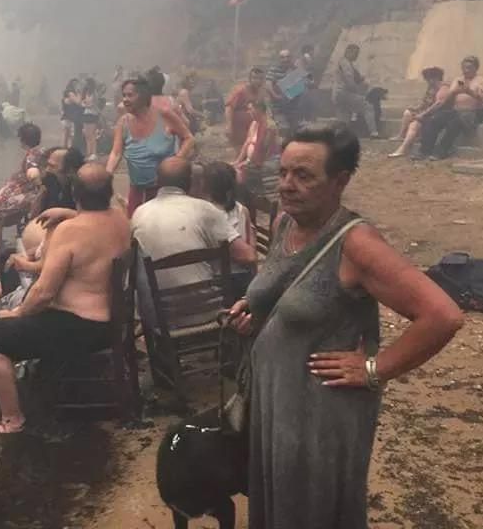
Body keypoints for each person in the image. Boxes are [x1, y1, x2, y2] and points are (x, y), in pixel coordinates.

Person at [228, 122, 464, 529]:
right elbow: (289, 288)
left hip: (319, 414)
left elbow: (443, 315)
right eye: (283, 172)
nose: (286, 185)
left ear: (340, 181)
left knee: (313, 511)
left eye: (304, 176)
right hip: (276, 401)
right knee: (280, 501)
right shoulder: (287, 223)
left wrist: (375, 367)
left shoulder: (356, 244)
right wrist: (256, 309)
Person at [0, 164, 131, 434]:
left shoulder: (70, 231)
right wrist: (68, 212)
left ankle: (12, 420)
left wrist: (17, 313)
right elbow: (95, 221)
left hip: (81, 328)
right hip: (110, 321)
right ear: (108, 192)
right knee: (3, 328)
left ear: (75, 193)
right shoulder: (120, 218)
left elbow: (44, 292)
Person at [131, 158, 256, 327]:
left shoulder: (139, 214)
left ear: (157, 181)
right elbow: (248, 256)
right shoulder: (205, 209)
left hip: (161, 318)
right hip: (208, 312)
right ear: (191, 181)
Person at [106, 77, 195, 217]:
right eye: (124, 95)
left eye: (130, 95)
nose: (125, 100)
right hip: (137, 189)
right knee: (135, 224)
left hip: (163, 190)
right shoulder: (123, 122)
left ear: (143, 96)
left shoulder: (164, 115)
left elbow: (188, 138)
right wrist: (107, 175)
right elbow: (116, 153)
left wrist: (176, 162)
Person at [419, 56, 483, 160]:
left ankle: (441, 152)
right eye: (464, 68)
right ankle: (424, 151)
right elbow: (448, 97)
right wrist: (453, 92)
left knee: (455, 123)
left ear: (476, 68)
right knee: (434, 120)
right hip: (456, 111)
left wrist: (469, 91)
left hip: (472, 113)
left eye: (469, 68)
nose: (466, 70)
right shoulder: (458, 80)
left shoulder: (480, 80)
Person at [204, 161, 257, 300]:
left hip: (217, 282)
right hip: (244, 279)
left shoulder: (204, 213)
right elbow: (252, 249)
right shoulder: (242, 210)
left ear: (206, 186)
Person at [0, 123, 44, 250]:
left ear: (23, 140)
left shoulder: (31, 157)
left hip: (30, 192)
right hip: (29, 189)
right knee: (1, 198)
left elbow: (33, 175)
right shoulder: (41, 152)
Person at [388, 67, 448, 158]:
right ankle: (401, 135)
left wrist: (422, 114)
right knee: (408, 113)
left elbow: (437, 105)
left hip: (435, 115)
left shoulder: (443, 88)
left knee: (414, 125)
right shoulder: (431, 87)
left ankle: (403, 148)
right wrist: (416, 108)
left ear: (436, 78)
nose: (429, 81)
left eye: (430, 78)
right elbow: (425, 102)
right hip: (425, 111)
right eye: (427, 79)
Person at [232, 101, 280, 199]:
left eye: (251, 109)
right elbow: (247, 143)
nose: (248, 112)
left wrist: (248, 164)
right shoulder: (254, 124)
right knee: (234, 169)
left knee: (241, 174)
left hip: (267, 160)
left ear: (259, 110)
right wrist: (238, 161)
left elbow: (263, 148)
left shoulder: (269, 126)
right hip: (253, 160)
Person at [333, 44, 379, 138]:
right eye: (355, 53)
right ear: (348, 52)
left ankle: (338, 137)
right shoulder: (345, 63)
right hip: (344, 93)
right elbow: (349, 81)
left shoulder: (344, 63)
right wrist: (358, 92)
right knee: (368, 106)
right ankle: (374, 133)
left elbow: (355, 77)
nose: (356, 56)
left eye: (357, 53)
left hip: (336, 95)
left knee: (343, 118)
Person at [225, 68, 267, 151]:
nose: (257, 81)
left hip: (252, 128)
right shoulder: (240, 90)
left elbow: (261, 110)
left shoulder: (260, 92)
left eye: (260, 78)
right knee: (239, 150)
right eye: (254, 78)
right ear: (250, 79)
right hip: (239, 127)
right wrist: (228, 126)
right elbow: (229, 107)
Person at [266, 50, 302, 138]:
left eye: (287, 57)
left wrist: (289, 94)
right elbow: (268, 85)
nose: (285, 59)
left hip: (293, 108)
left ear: (291, 58)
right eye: (283, 57)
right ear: (279, 59)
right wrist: (275, 95)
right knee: (283, 129)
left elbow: (300, 87)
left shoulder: (296, 70)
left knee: (294, 133)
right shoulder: (274, 69)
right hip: (278, 107)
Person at [81, 78, 101, 160]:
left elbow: (94, 104)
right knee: (87, 135)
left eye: (86, 83)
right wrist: (85, 104)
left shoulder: (95, 93)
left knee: (92, 134)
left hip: (93, 114)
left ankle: (94, 153)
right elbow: (82, 102)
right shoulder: (86, 92)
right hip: (86, 114)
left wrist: (86, 104)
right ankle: (88, 153)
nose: (85, 85)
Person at [61, 79, 82, 149]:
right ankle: (68, 149)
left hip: (67, 117)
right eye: (76, 84)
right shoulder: (71, 93)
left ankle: (65, 148)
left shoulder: (67, 94)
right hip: (70, 118)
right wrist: (79, 93)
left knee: (67, 135)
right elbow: (78, 102)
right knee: (70, 135)